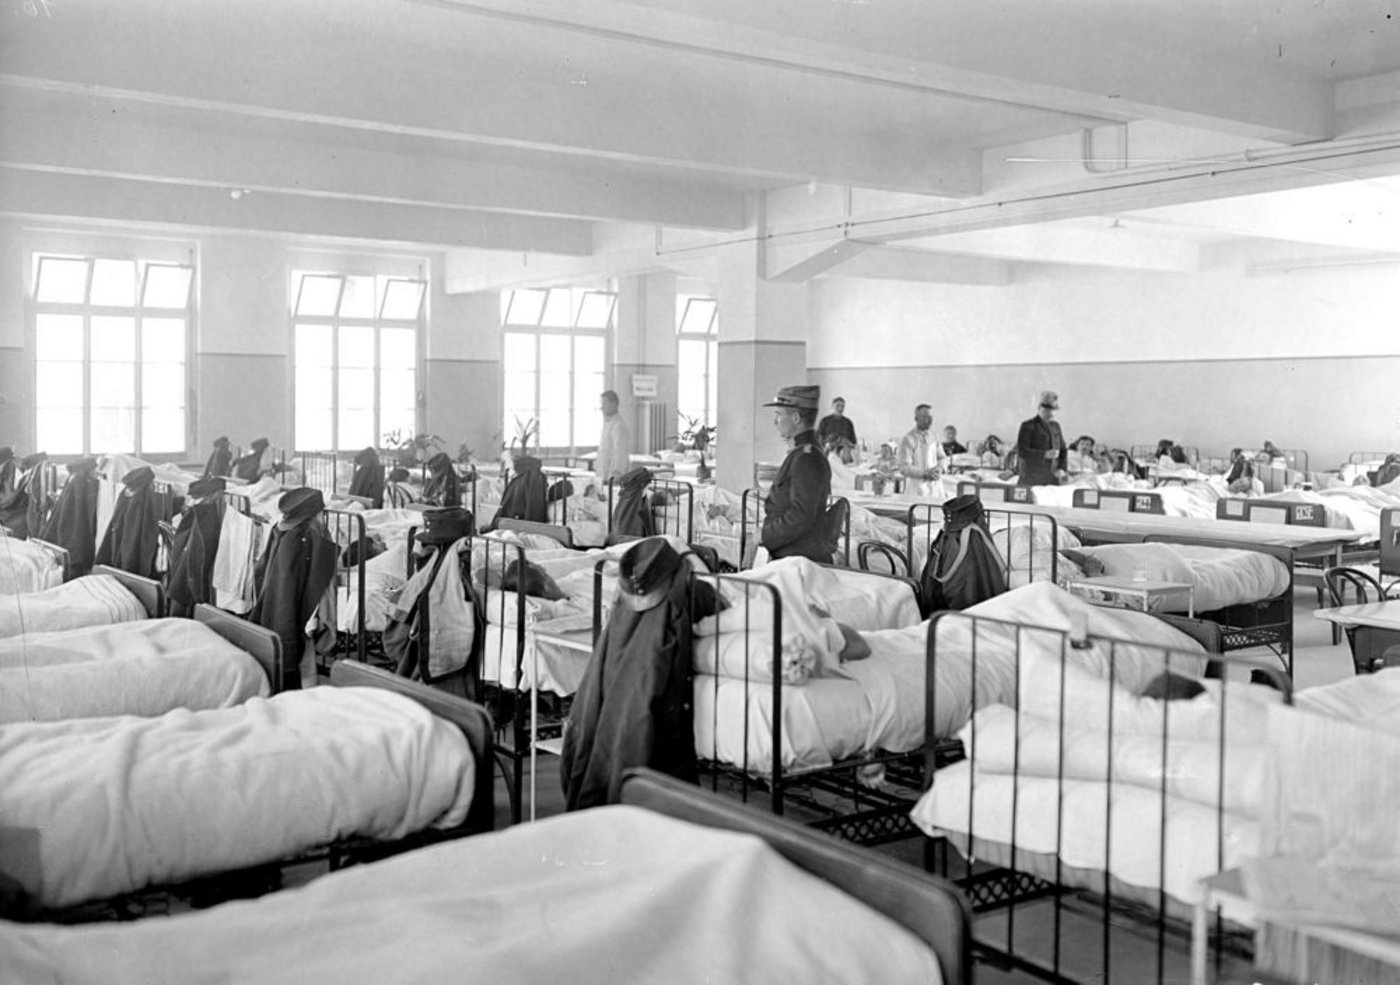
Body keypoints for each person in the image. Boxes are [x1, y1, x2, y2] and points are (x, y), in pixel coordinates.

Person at [760, 385, 832, 563]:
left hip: (796, 557)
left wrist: (764, 536)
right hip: (789, 552)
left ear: (796, 418)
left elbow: (801, 515)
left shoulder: (806, 458)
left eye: (778, 415)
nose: (774, 422)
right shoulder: (801, 453)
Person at [1015, 390, 1066, 486]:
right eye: (1047, 410)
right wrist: (1044, 454)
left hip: (1052, 480)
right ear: (1039, 408)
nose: (1051, 413)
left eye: (1053, 410)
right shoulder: (1028, 426)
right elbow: (1022, 451)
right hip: (1031, 479)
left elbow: (1063, 451)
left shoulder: (1056, 427)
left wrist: (1062, 469)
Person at [896, 404, 946, 495]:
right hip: (916, 486)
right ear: (916, 418)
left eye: (931, 417)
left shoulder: (934, 436)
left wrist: (940, 469)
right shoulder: (908, 439)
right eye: (925, 417)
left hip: (935, 485)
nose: (930, 420)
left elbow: (942, 457)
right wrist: (925, 473)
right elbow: (904, 467)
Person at [595, 389, 630, 483]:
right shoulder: (608, 423)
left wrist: (615, 474)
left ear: (614, 404)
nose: (602, 407)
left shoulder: (619, 426)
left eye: (604, 404)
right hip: (603, 476)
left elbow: (620, 453)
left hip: (612, 478)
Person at [817, 397, 858, 462]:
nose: (840, 408)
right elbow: (818, 439)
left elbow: (853, 442)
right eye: (837, 406)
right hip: (829, 450)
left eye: (842, 406)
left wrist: (848, 443)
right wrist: (828, 445)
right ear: (832, 407)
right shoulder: (825, 421)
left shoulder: (848, 422)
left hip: (845, 451)